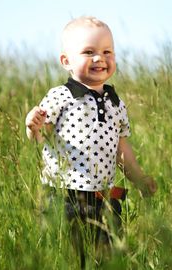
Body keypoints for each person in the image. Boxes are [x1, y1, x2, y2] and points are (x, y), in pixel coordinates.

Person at [25, 16, 157, 267]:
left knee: (106, 258)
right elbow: (42, 135)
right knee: (70, 257)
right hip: (64, 196)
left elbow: (121, 148)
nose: (100, 58)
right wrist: (33, 125)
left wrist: (138, 177)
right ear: (66, 61)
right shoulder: (61, 96)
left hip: (104, 197)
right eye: (89, 52)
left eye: (107, 51)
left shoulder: (115, 102)